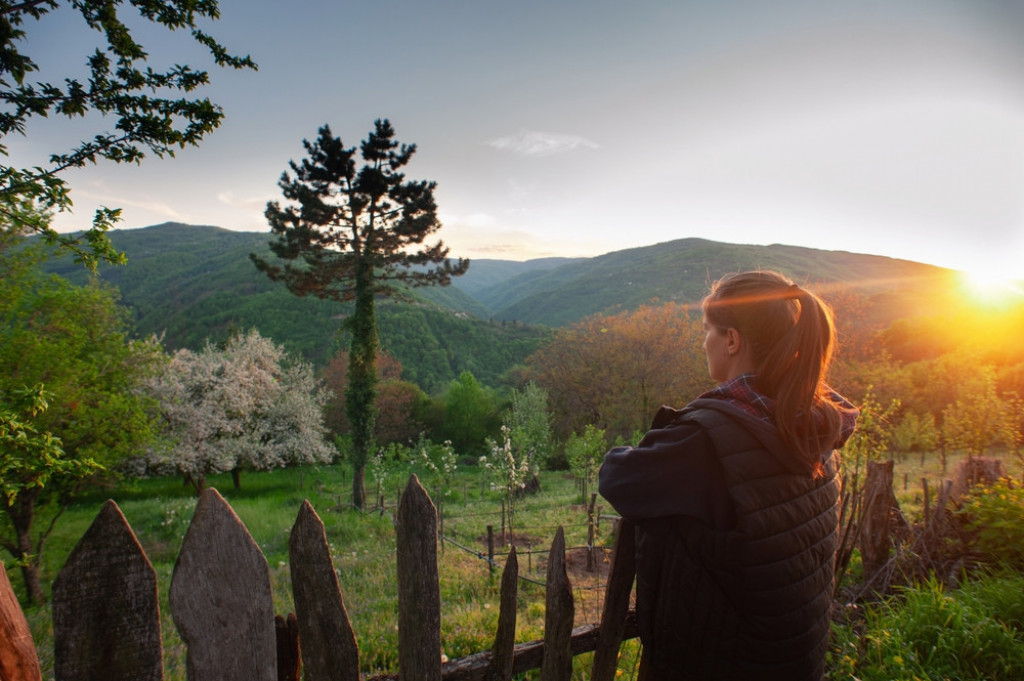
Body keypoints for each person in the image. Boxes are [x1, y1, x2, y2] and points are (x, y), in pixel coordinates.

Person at [599, 270, 858, 681]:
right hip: (793, 658)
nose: (704, 342)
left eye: (708, 330)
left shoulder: (707, 442)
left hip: (723, 662)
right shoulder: (816, 423)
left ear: (732, 340)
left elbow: (616, 477)